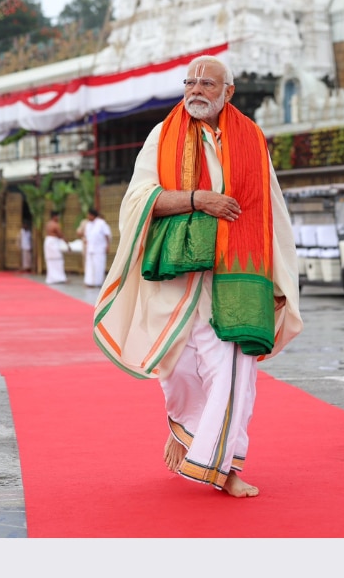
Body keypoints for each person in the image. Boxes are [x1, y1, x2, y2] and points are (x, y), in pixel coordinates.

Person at [92, 55, 303, 497]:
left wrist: (279, 279)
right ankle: (187, 429)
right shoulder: (162, 135)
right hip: (177, 276)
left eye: (207, 83)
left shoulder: (251, 137)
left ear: (228, 93)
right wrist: (196, 199)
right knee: (177, 369)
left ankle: (222, 467)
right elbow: (138, 200)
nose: (195, 90)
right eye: (189, 82)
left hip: (237, 275)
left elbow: (272, 212)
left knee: (234, 372)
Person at [81, 207, 112, 287]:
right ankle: (89, 282)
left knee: (99, 266)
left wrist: (108, 245)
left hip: (99, 249)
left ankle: (98, 283)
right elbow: (86, 235)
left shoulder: (101, 223)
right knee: (90, 266)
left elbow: (107, 235)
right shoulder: (88, 224)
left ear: (92, 215)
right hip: (90, 248)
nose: (88, 217)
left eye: (89, 215)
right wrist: (85, 240)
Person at [44, 211, 67, 284]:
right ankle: (59, 278)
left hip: (48, 242)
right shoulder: (55, 225)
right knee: (58, 260)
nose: (58, 218)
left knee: (51, 261)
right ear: (54, 216)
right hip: (53, 242)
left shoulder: (48, 224)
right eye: (57, 216)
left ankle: (52, 278)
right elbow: (60, 235)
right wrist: (67, 244)